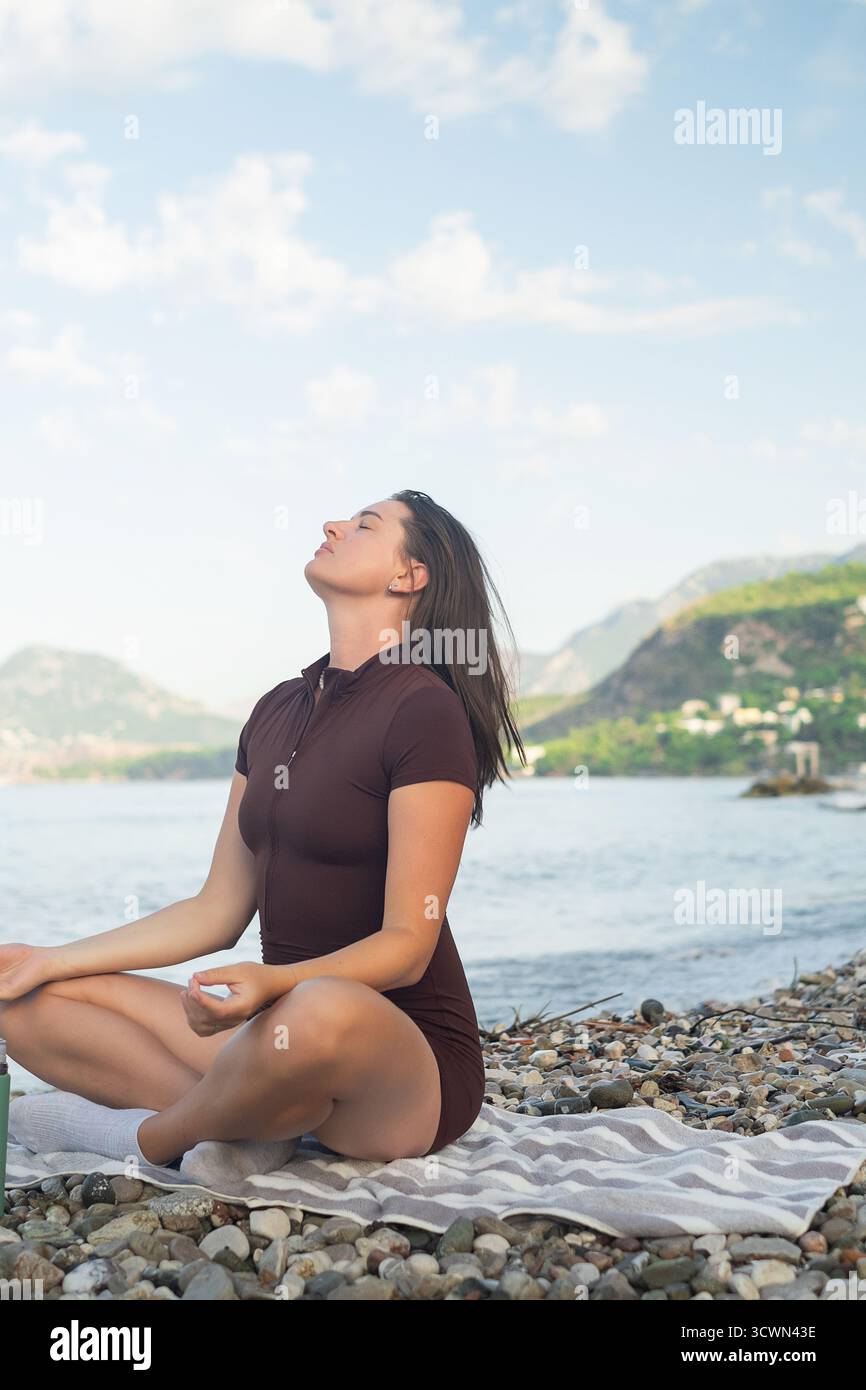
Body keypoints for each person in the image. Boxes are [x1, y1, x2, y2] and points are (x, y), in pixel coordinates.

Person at [0, 490, 525, 1175]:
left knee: (318, 1009)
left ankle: (147, 1140)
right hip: (272, 1034)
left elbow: (407, 948)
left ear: (409, 576)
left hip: (399, 1066)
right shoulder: (276, 709)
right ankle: (254, 1122)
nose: (333, 525)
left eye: (364, 524)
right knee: (27, 1002)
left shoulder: (424, 710)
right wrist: (53, 957)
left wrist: (273, 982)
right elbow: (215, 909)